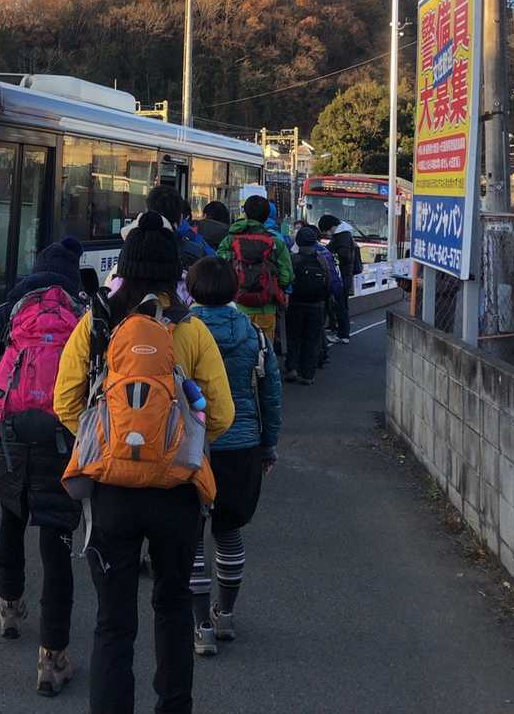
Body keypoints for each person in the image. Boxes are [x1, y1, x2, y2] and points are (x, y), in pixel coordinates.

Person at [54, 212, 235, 714]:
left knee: (113, 622)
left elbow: (65, 400)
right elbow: (222, 413)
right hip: (177, 493)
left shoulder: (97, 323)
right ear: (175, 272)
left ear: (125, 267)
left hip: (111, 493)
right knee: (173, 608)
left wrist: (107, 440)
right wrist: (181, 442)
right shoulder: (189, 329)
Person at [0, 238, 86, 696]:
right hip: (61, 442)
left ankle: (10, 609)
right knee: (56, 544)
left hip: (5, 440)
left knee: (11, 517)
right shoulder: (85, 316)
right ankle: (53, 658)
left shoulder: (8, 312)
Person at [184, 255, 281, 656]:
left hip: (191, 447)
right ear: (235, 288)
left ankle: (201, 626)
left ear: (190, 288)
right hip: (241, 445)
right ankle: (225, 614)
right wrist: (268, 444)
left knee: (191, 539)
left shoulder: (180, 332)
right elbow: (270, 393)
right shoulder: (253, 334)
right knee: (228, 532)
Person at [216, 195, 293, 345]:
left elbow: (220, 265)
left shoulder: (231, 240)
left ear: (245, 213)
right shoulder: (275, 241)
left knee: (239, 348)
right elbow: (287, 276)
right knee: (265, 349)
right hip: (266, 307)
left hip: (237, 305)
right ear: (267, 217)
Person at [285, 225, 333, 384]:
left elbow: (286, 279)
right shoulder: (321, 259)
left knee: (294, 337)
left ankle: (292, 368)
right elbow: (328, 281)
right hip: (316, 305)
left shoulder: (292, 259)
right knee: (312, 339)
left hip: (295, 303)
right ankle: (308, 374)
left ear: (298, 241)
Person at [319, 214, 364, 345]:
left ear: (331, 227)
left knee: (341, 306)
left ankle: (343, 335)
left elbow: (344, 256)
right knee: (341, 306)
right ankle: (341, 331)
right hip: (345, 277)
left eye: (326, 230)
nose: (327, 233)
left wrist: (331, 254)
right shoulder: (345, 234)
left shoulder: (341, 237)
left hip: (341, 277)